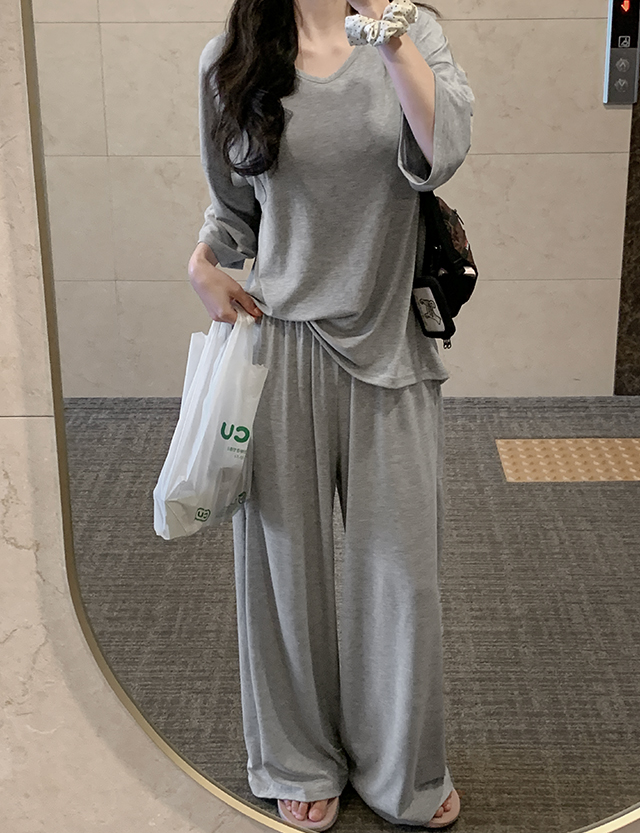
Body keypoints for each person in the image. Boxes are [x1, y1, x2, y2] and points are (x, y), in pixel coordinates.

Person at [188, 0, 474, 829]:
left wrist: (385, 31)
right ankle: (298, 757)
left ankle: (401, 766)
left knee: (401, 577)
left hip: (391, 344)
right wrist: (202, 263)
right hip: (281, 344)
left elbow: (442, 151)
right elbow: (233, 208)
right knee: (283, 573)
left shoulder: (412, 33)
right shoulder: (232, 57)